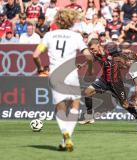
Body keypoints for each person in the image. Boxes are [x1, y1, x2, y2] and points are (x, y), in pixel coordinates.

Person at [32, 9, 93, 152]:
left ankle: (65, 134)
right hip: (70, 74)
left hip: (55, 74)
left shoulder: (49, 35)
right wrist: (89, 70)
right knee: (75, 105)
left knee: (60, 108)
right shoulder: (76, 36)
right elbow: (88, 56)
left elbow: (35, 55)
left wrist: (41, 68)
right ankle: (67, 136)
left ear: (57, 20)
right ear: (71, 21)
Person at [79, 39, 137, 125]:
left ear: (98, 45)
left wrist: (129, 53)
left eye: (92, 48)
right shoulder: (96, 54)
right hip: (104, 80)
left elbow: (121, 51)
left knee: (125, 104)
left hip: (115, 82)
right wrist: (83, 65)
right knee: (88, 92)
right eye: (90, 49)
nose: (91, 51)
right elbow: (91, 59)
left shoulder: (109, 50)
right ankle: (89, 117)